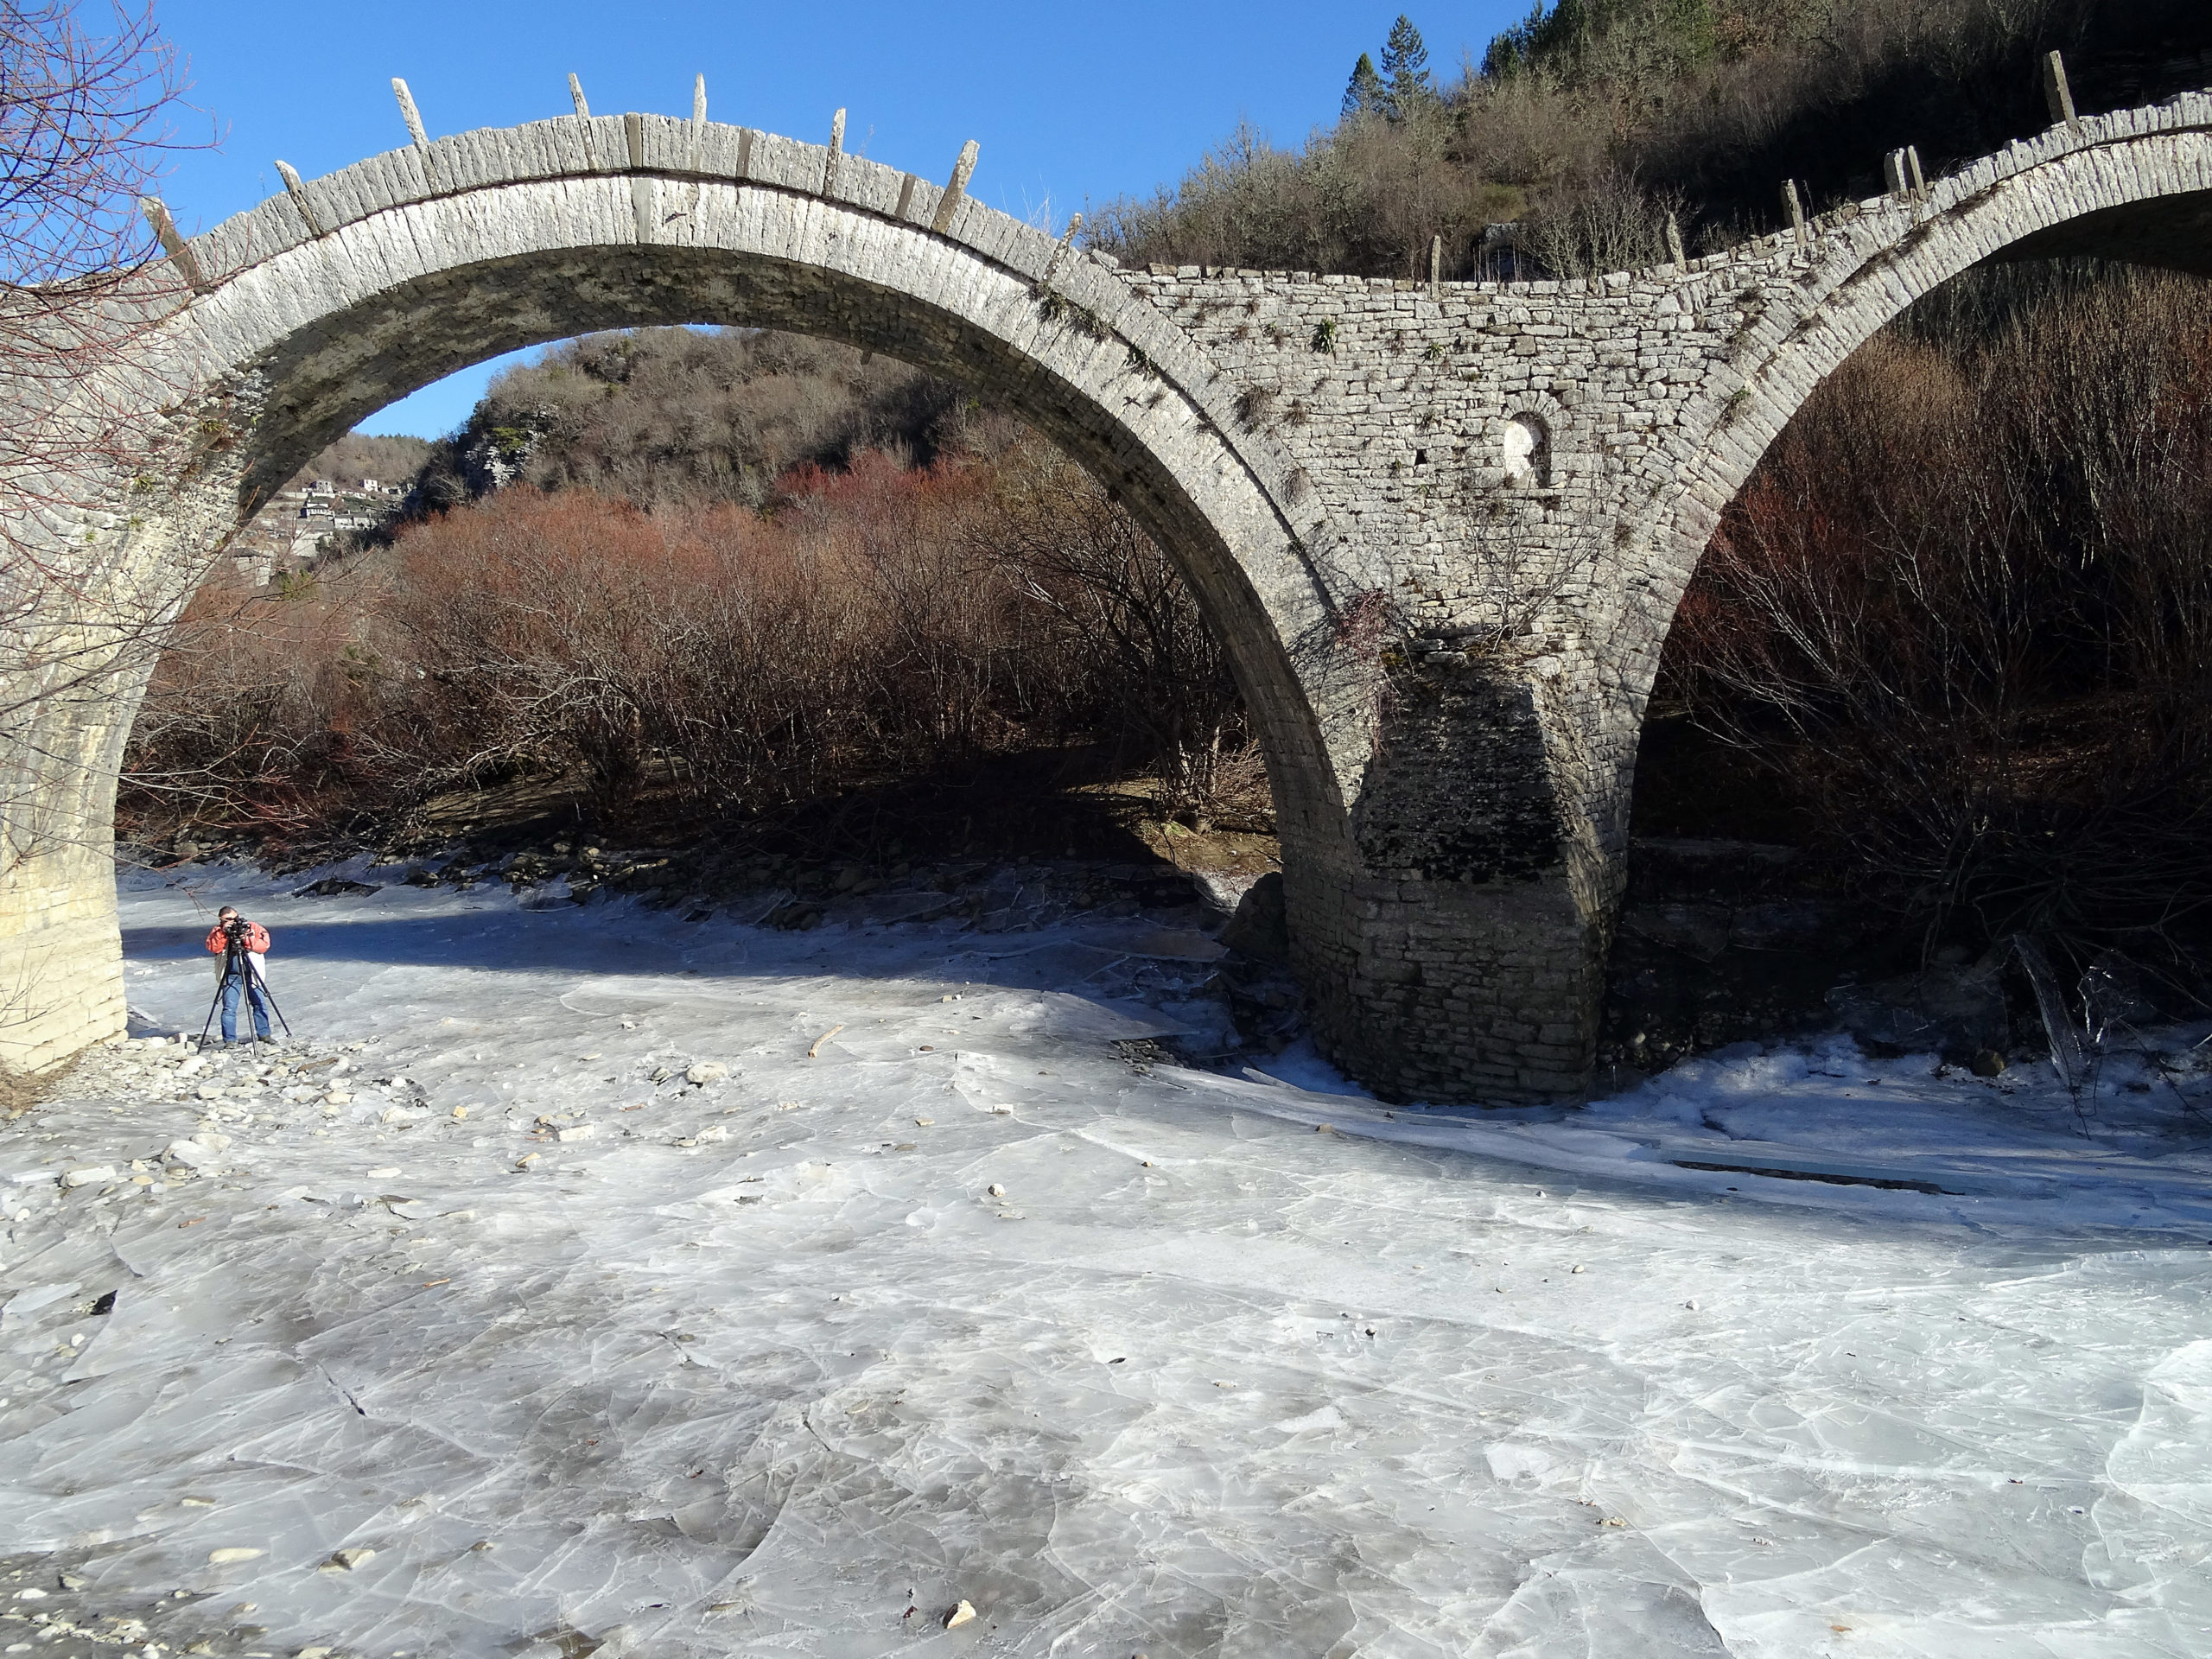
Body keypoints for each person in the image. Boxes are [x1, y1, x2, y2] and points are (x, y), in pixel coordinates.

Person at [203, 906, 275, 1045]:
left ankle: (264, 1035)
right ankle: (230, 1040)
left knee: (259, 1003)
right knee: (229, 1008)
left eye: (235, 918)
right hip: (230, 975)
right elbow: (213, 947)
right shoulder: (218, 931)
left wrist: (246, 938)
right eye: (228, 920)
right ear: (221, 920)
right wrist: (223, 933)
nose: (233, 922)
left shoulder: (252, 927)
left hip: (252, 973)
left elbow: (264, 946)